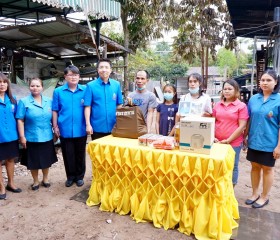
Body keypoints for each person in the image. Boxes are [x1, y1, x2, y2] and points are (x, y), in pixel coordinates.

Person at [244, 70, 280, 208]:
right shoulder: (254, 99)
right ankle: (254, 193)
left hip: (270, 142)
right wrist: (245, 136)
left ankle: (264, 197)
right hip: (254, 140)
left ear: (276, 82)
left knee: (267, 169)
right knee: (254, 167)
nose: (265, 83)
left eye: (268, 80)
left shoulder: (278, 100)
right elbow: (249, 120)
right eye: (263, 80)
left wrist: (278, 146)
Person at [17, 78, 57, 190]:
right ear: (29, 87)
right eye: (33, 86)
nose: (35, 88)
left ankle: (45, 178)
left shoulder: (49, 101)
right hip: (31, 137)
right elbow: (20, 120)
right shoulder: (24, 102)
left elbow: (54, 117)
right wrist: (22, 136)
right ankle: (35, 181)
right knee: (33, 160)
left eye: (38, 86)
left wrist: (55, 131)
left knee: (46, 159)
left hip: (47, 136)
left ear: (42, 87)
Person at [52, 65, 87, 187]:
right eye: (70, 75)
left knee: (80, 154)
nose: (73, 77)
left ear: (79, 77)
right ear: (65, 77)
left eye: (76, 75)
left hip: (81, 128)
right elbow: (55, 110)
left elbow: (89, 108)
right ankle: (70, 176)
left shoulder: (85, 90)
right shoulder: (58, 92)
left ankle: (79, 177)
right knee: (68, 154)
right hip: (64, 128)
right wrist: (55, 126)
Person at [212, 79, 249, 186]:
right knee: (217, 164)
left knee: (232, 166)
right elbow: (213, 122)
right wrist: (213, 137)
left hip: (234, 143)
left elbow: (242, 126)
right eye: (225, 89)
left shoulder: (241, 106)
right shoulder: (218, 105)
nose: (227, 91)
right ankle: (218, 187)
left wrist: (228, 140)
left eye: (230, 89)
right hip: (217, 142)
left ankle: (231, 189)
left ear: (236, 90)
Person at [84, 58, 123, 140]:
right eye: (101, 67)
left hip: (114, 126)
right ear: (98, 70)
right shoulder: (90, 86)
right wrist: (88, 124)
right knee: (98, 152)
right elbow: (87, 106)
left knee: (113, 152)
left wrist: (120, 122)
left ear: (110, 70)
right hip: (97, 127)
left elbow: (119, 104)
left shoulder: (116, 85)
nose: (104, 70)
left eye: (106, 67)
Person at [0, 73, 22, 200]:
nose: (2, 84)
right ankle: (1, 187)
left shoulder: (13, 101)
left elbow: (18, 119)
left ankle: (11, 183)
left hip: (11, 137)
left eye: (4, 82)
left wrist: (20, 135)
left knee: (10, 160)